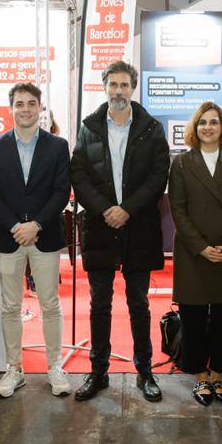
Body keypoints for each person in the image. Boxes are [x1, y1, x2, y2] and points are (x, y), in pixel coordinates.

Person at [70, 60, 169, 403]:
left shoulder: (151, 128)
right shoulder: (88, 127)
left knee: (139, 303)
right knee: (99, 303)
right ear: (105, 88)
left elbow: (158, 175)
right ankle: (98, 372)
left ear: (133, 88)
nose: (118, 91)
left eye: (124, 85)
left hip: (139, 227)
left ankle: (145, 372)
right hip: (100, 228)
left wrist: (127, 209)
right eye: (113, 84)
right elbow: (79, 174)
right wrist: (105, 209)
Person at [0, 83, 71, 398]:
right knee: (10, 306)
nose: (25, 109)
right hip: (9, 237)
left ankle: (55, 366)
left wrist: (36, 224)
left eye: (31, 103)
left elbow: (61, 190)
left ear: (40, 107)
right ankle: (14, 368)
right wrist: (16, 226)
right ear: (11, 108)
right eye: (19, 104)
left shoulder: (58, 146)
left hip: (45, 235)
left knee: (50, 304)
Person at [169, 102, 222, 406]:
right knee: (192, 319)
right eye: (202, 122)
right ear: (195, 127)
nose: (208, 127)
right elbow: (178, 210)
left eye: (214, 122)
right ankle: (199, 377)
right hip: (194, 253)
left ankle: (217, 375)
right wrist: (201, 247)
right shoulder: (181, 163)